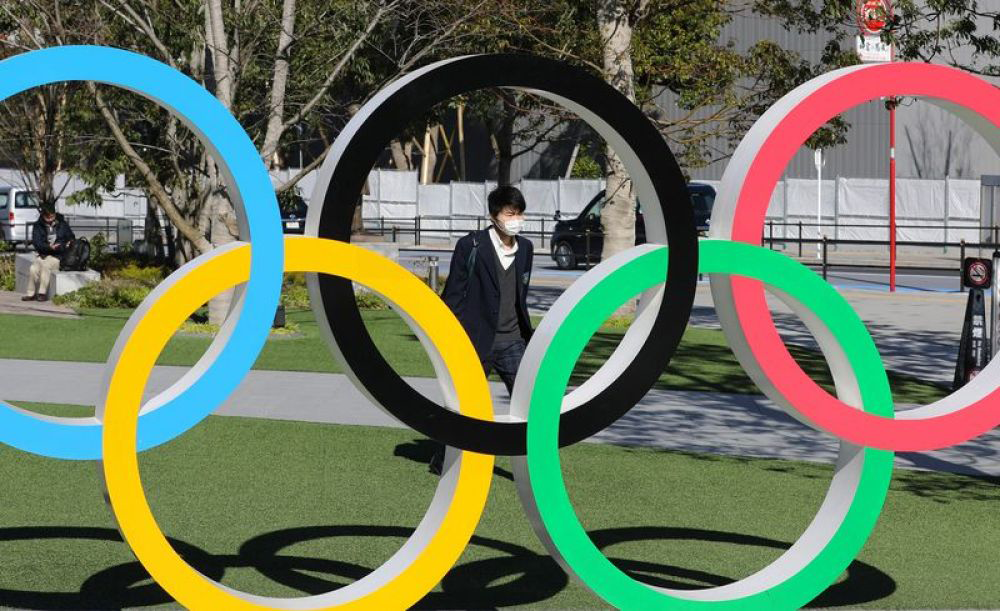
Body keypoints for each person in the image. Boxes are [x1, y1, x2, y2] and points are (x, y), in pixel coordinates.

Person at [428, 185, 534, 474]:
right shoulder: (471, 245)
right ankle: (443, 459)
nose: (516, 219)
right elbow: (454, 294)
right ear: (493, 216)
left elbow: (520, 292)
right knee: (463, 405)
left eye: (520, 213)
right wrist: (448, 337)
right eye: (510, 214)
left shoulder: (525, 248)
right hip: (475, 340)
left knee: (530, 404)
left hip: (513, 340)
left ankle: (534, 463)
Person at [22, 207, 74, 302]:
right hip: (44, 254)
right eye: (47, 217)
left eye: (52, 217)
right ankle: (30, 294)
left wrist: (65, 245)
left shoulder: (62, 224)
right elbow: (37, 243)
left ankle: (42, 293)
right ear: (43, 216)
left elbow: (71, 237)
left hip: (58, 255)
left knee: (46, 265)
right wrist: (49, 247)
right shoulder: (38, 226)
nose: (50, 219)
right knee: (33, 268)